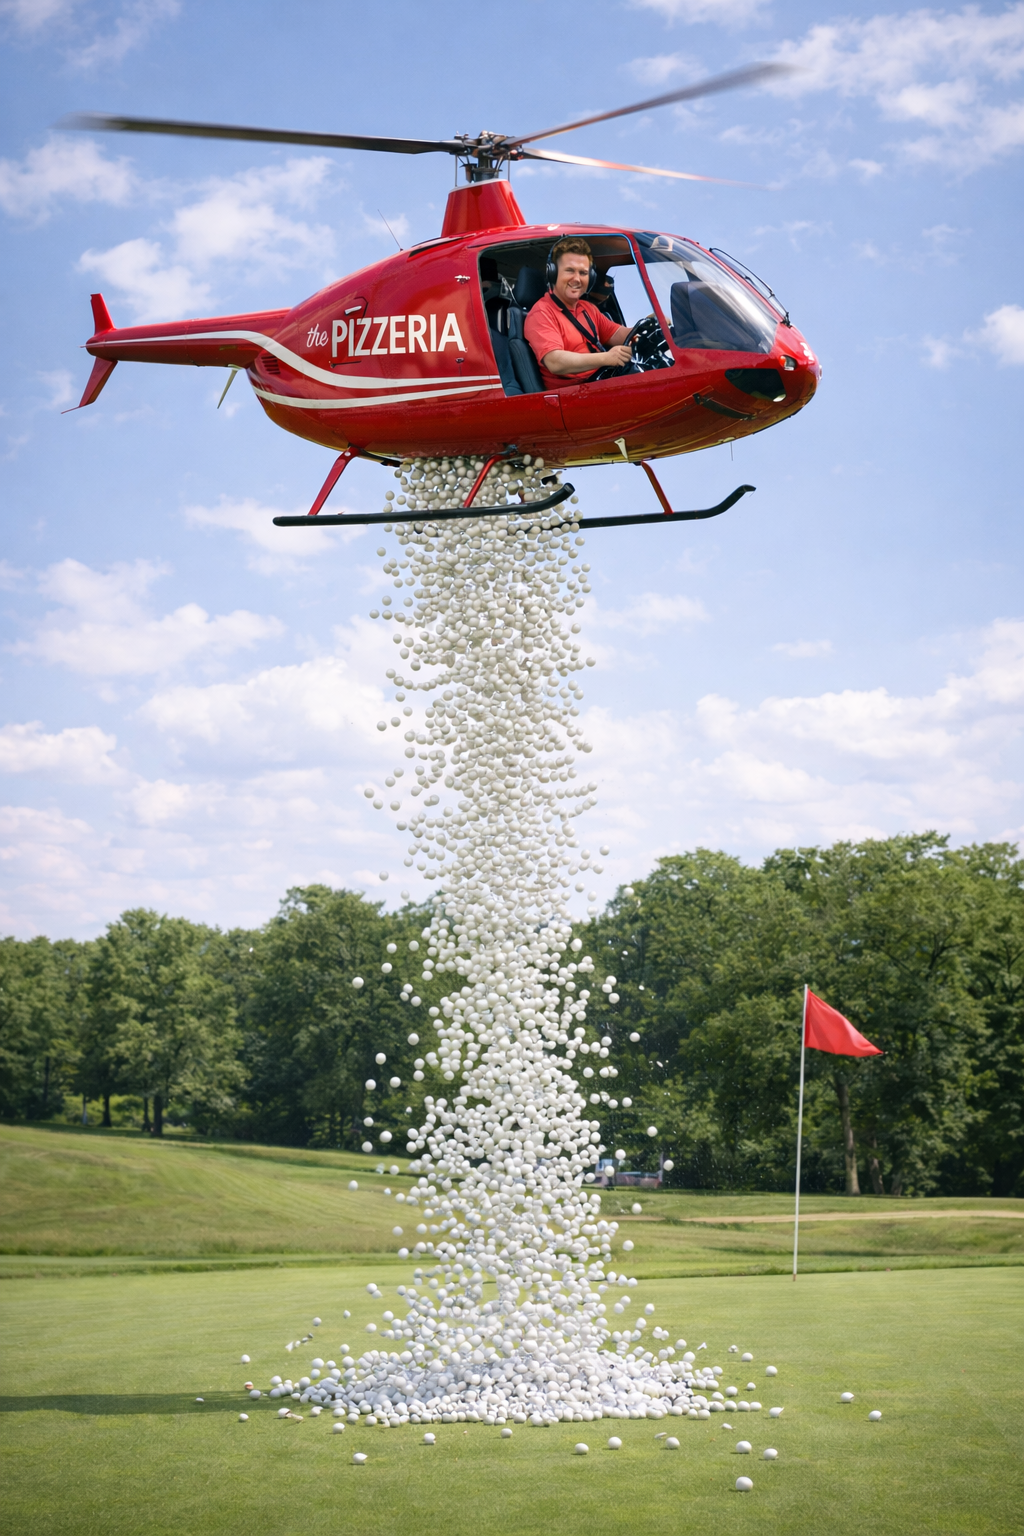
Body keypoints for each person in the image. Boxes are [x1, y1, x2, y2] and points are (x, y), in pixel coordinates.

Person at [523, 237, 632, 389]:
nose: (577, 279)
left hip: (600, 382)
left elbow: (616, 334)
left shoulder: (587, 308)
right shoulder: (541, 313)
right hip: (574, 395)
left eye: (583, 273)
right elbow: (555, 362)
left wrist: (646, 328)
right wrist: (606, 358)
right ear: (553, 273)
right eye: (569, 270)